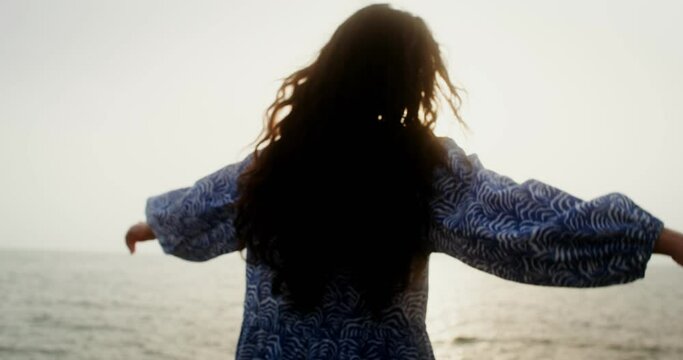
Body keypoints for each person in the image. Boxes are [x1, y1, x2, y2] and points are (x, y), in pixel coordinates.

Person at [125, 4, 683, 359]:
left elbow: (198, 210)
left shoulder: (273, 168)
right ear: (417, 80)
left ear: (330, 67)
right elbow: (525, 224)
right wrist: (657, 239)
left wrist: (151, 226)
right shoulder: (421, 170)